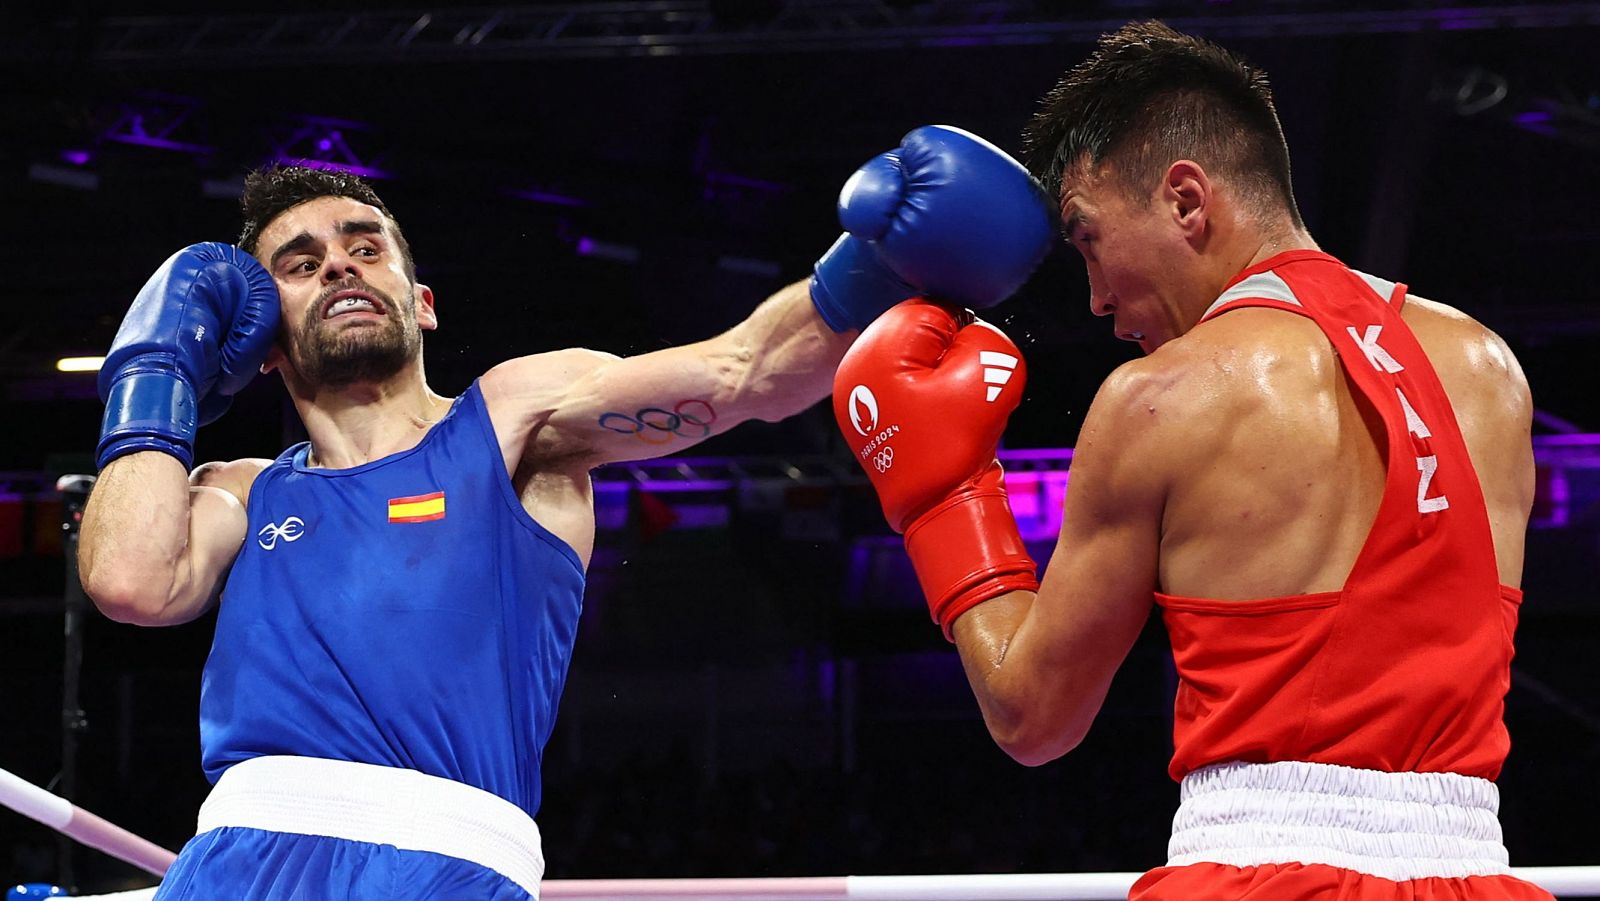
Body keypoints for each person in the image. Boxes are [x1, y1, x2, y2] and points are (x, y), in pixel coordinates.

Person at [77, 124, 1052, 900]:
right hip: (240, 858)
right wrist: (156, 364)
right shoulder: (241, 490)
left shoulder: (511, 418)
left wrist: (880, 265)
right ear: (262, 340)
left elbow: (739, 370)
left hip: (446, 863)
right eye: (298, 262)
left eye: (364, 247)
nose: (338, 265)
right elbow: (128, 579)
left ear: (420, 302)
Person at [832, 20, 1552, 900]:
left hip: (1255, 874)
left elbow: (1032, 714)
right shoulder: (1491, 369)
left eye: (1089, 239)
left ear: (1185, 198)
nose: (1096, 299)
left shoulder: (1162, 398)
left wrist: (943, 497)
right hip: (1474, 872)